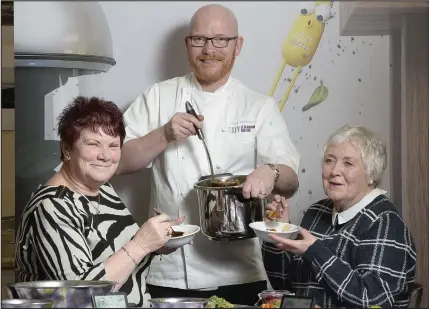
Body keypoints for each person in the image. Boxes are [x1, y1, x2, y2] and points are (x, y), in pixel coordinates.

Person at [116, 4, 300, 306]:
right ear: (188, 44)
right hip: (170, 271)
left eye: (220, 40)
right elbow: (119, 162)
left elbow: (290, 181)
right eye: (199, 39)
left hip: (240, 271)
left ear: (237, 45)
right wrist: (163, 134)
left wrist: (272, 172)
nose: (209, 49)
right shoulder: (158, 96)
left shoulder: (258, 106)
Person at [15, 97, 184, 308]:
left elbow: (114, 257)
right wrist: (142, 244)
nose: (106, 155)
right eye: (93, 144)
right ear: (67, 149)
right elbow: (77, 298)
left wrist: (157, 243)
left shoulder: (103, 189)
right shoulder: (51, 206)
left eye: (113, 145)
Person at [262, 125, 417, 308]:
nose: (334, 170)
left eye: (348, 163)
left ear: (371, 175)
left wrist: (315, 250)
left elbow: (373, 301)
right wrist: (280, 234)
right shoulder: (317, 212)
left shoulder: (385, 222)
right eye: (329, 160)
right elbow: (285, 284)